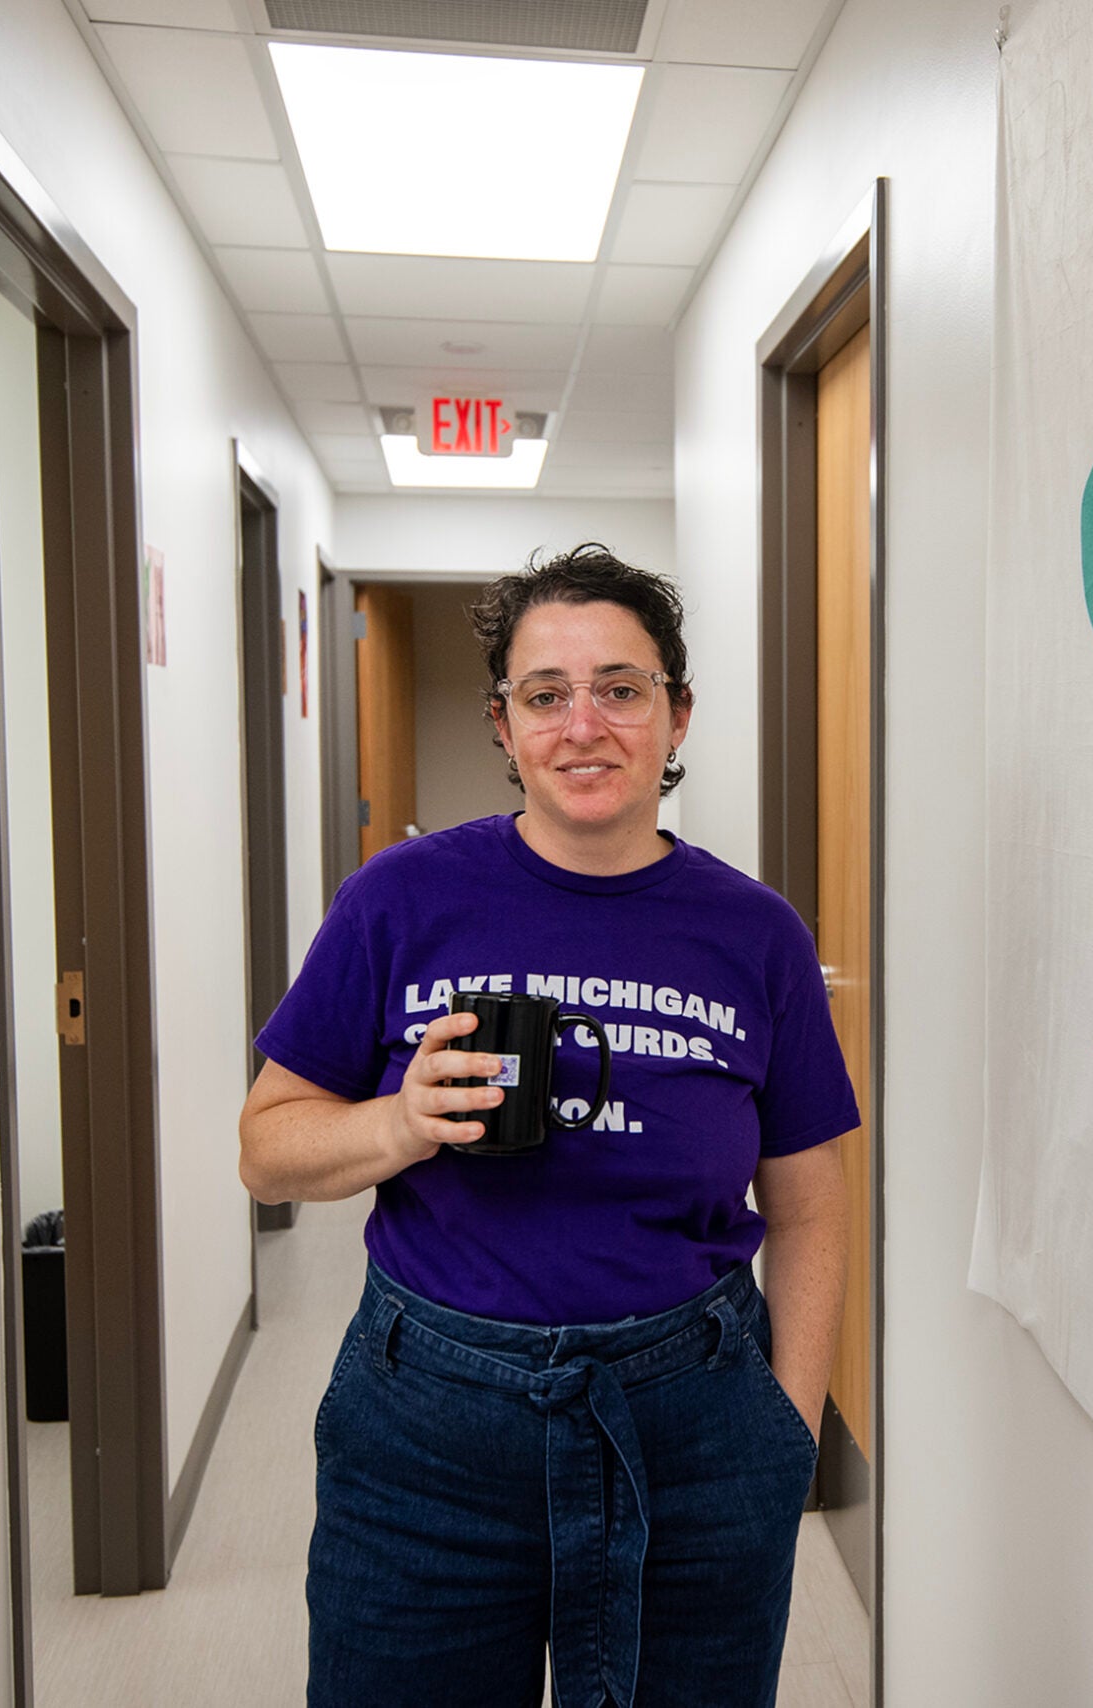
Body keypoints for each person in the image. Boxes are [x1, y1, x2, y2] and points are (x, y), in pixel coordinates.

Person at [239, 543, 857, 1708]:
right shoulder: (400, 899)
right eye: (546, 694)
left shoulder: (754, 932)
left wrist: (786, 1429)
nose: (586, 724)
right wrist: (399, 1122)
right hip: (429, 1428)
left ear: (676, 717)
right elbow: (265, 1143)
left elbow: (813, 1200)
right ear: (504, 724)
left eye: (622, 689)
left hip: (696, 1420)